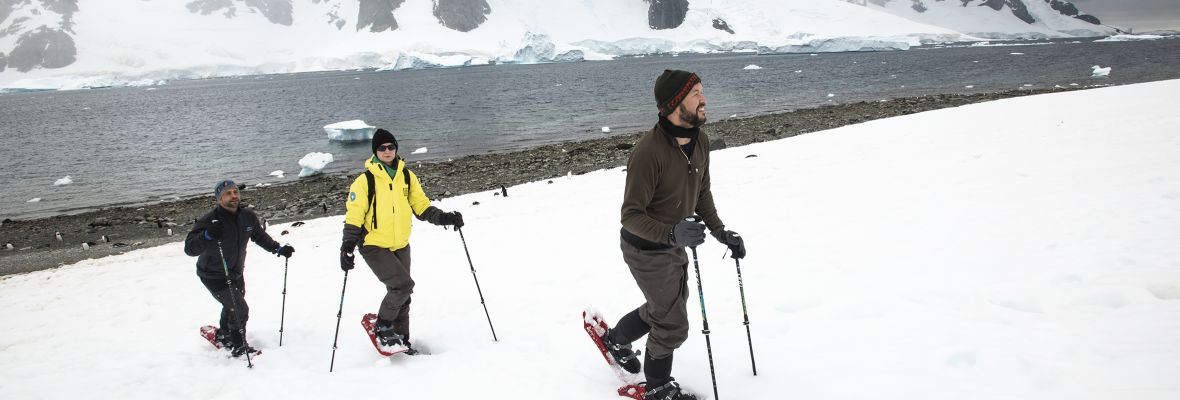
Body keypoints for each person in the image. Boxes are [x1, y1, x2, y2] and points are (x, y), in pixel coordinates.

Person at [602, 70, 747, 400]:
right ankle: (656, 387)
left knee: (664, 309)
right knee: (672, 324)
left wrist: (720, 231)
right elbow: (630, 215)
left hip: (673, 241)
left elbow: (702, 192)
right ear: (673, 103)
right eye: (696, 93)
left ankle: (616, 339)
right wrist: (671, 234)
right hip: (645, 248)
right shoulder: (648, 152)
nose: (704, 99)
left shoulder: (701, 140)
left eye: (702, 91)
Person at [339, 128, 464, 354]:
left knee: (404, 296)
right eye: (382, 148)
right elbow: (354, 216)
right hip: (373, 245)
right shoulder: (364, 181)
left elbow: (421, 206)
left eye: (391, 147)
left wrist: (445, 218)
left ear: (396, 148)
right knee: (403, 286)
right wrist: (347, 246)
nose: (387, 151)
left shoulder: (406, 176)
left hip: (400, 243)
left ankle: (403, 340)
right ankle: (383, 325)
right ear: (375, 151)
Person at [184, 179, 294, 357]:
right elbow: (189, 249)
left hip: (235, 271)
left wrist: (278, 249)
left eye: (235, 192)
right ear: (219, 199)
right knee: (240, 309)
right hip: (212, 274)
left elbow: (259, 236)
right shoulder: (210, 220)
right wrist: (207, 235)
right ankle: (238, 345)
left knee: (232, 305)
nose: (233, 196)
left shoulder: (247, 216)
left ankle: (225, 335)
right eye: (228, 193)